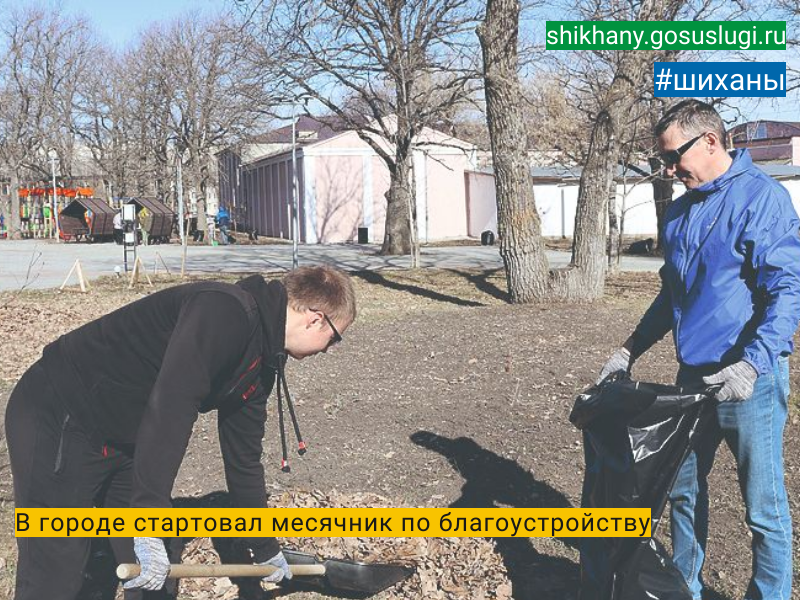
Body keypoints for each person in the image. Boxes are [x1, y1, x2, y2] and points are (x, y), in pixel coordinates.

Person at [6, 265, 356, 600]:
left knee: (151, 573)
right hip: (60, 411)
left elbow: (243, 460)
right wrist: (145, 519)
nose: (329, 349)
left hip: (124, 435)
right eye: (334, 338)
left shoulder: (261, 362)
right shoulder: (223, 310)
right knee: (57, 568)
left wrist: (265, 548)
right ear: (315, 318)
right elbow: (172, 405)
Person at [598, 100, 800, 600]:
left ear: (710, 141)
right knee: (684, 489)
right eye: (662, 160)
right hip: (694, 380)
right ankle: (684, 588)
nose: (669, 169)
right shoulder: (683, 210)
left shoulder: (763, 198)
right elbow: (673, 294)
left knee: (763, 505)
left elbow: (788, 289)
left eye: (674, 156)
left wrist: (753, 363)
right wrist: (630, 349)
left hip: (750, 379)